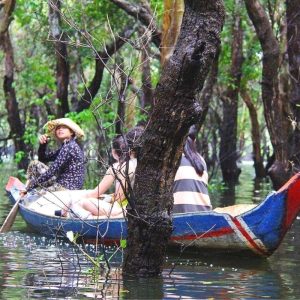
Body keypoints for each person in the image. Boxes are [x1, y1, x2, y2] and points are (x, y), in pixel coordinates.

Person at [70, 133, 138, 218]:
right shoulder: (141, 163)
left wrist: (75, 199)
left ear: (113, 151)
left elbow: (117, 198)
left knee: (84, 202)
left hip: (124, 209)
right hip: (135, 207)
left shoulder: (118, 166)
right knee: (104, 198)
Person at [23, 118, 85, 195]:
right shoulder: (65, 146)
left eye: (64, 127)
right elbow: (43, 159)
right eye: (58, 128)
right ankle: (25, 188)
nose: (60, 130)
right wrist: (43, 145)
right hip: (61, 183)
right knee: (34, 164)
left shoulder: (70, 146)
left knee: (41, 194)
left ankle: (26, 189)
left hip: (69, 188)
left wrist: (31, 187)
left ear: (71, 132)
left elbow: (52, 171)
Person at [173, 125, 212, 213]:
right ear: (195, 140)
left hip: (180, 214)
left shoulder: (172, 160)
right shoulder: (201, 160)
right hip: (205, 213)